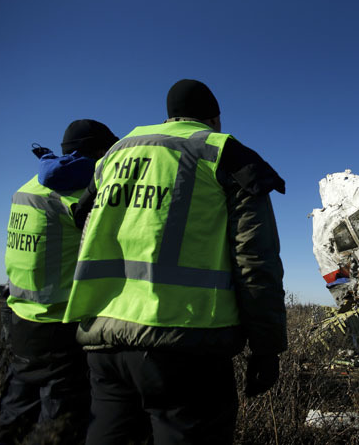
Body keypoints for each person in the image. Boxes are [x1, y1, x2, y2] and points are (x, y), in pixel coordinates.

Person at [64, 79, 287, 444]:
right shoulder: (224, 154)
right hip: (186, 348)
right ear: (214, 119)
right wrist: (266, 347)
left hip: (105, 345)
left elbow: (81, 219)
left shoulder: (115, 155)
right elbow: (255, 260)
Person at [0, 120, 118, 444]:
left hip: (19, 321)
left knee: (13, 413)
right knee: (59, 425)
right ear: (98, 153)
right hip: (59, 325)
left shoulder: (29, 186)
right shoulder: (81, 193)